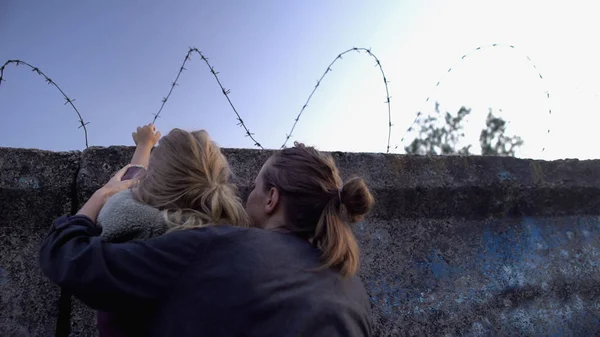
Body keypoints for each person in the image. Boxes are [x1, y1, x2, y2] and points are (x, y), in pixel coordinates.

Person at [39, 141, 375, 336]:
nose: (248, 193)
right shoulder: (352, 289)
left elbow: (70, 258)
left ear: (272, 199)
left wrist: (101, 196)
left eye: (256, 186)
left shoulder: (218, 246)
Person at [97, 124, 251, 336]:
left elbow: (130, 181)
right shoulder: (239, 242)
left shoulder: (127, 231)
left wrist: (144, 144)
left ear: (151, 182)